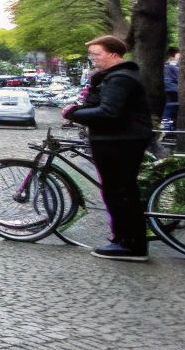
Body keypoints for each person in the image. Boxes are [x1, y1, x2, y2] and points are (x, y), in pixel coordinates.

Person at [63, 35, 153, 261]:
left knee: (119, 192)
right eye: (91, 54)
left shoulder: (120, 78)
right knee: (119, 191)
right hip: (119, 139)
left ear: (113, 54)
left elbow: (109, 113)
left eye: (96, 54)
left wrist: (73, 114)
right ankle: (123, 238)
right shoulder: (117, 76)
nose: (92, 58)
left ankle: (130, 245)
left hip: (119, 141)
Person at [161, 46, 180, 131]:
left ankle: (166, 127)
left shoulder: (165, 64)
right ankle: (167, 128)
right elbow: (178, 77)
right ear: (175, 54)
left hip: (166, 88)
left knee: (168, 107)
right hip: (173, 88)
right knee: (171, 108)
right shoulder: (173, 64)